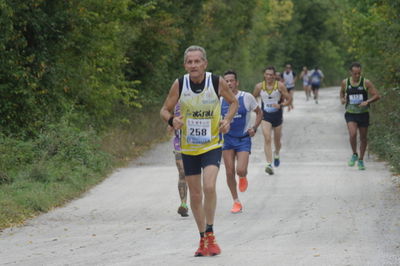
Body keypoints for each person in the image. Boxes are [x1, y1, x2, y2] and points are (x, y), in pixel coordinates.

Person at [160, 45, 238, 257]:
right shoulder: (179, 84)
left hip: (212, 144)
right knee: (195, 195)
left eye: (197, 61)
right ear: (185, 65)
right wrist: (172, 119)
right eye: (189, 62)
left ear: (205, 63)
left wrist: (227, 120)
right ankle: (203, 237)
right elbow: (164, 109)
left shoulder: (216, 81)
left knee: (209, 186)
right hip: (188, 146)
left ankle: (211, 233)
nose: (193, 65)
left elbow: (233, 102)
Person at [221, 70, 262, 214]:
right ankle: (236, 201)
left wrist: (254, 128)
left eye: (231, 80)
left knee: (240, 170)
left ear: (236, 82)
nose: (229, 83)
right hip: (227, 140)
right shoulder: (219, 100)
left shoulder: (246, 97)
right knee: (229, 171)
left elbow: (259, 113)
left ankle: (243, 176)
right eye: (226, 81)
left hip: (243, 139)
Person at [340, 62, 380, 170]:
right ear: (350, 72)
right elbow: (342, 93)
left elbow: (377, 95)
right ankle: (354, 154)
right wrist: (342, 99)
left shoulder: (366, 82)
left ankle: (361, 160)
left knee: (363, 138)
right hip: (351, 113)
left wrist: (367, 101)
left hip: (363, 114)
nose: (357, 76)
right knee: (353, 134)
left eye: (359, 73)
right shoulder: (345, 82)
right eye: (355, 73)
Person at [253, 66, 291, 175]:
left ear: (274, 76)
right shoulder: (259, 86)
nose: (269, 76)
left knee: (277, 141)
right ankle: (269, 164)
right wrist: (257, 109)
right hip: (265, 116)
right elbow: (253, 97)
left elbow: (289, 99)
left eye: (271, 74)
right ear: (264, 75)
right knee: (267, 138)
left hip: (277, 115)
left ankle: (277, 153)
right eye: (267, 74)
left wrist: (281, 105)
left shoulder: (280, 86)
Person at [169, 103, 189, 217]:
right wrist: (171, 125)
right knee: (182, 173)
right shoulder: (175, 105)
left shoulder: (199, 101)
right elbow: (170, 122)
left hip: (195, 144)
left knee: (193, 175)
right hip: (179, 143)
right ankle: (183, 204)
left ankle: (198, 202)